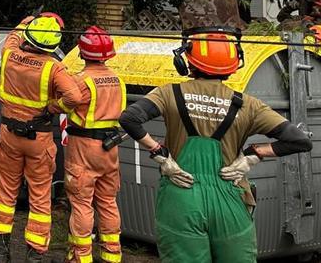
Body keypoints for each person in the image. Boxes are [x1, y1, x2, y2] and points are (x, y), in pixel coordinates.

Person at [119, 32, 313, 262]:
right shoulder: (249, 105)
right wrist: (254, 154)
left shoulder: (169, 93)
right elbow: (300, 140)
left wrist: (160, 154)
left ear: (187, 62)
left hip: (181, 196)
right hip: (229, 197)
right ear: (233, 66)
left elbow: (130, 118)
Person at [0, 13, 86, 263]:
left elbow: (13, 34)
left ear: (28, 37)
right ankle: (34, 255)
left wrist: (29, 19)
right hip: (38, 140)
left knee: (6, 193)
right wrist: (53, 108)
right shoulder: (53, 67)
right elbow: (75, 98)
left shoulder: (9, 53)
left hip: (9, 135)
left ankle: (1, 251)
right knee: (40, 196)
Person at [58, 27, 124, 263]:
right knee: (107, 202)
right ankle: (111, 256)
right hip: (110, 149)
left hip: (84, 148)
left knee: (82, 203)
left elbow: (67, 103)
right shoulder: (117, 79)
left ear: (82, 53)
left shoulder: (81, 81)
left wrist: (51, 108)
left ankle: (80, 257)